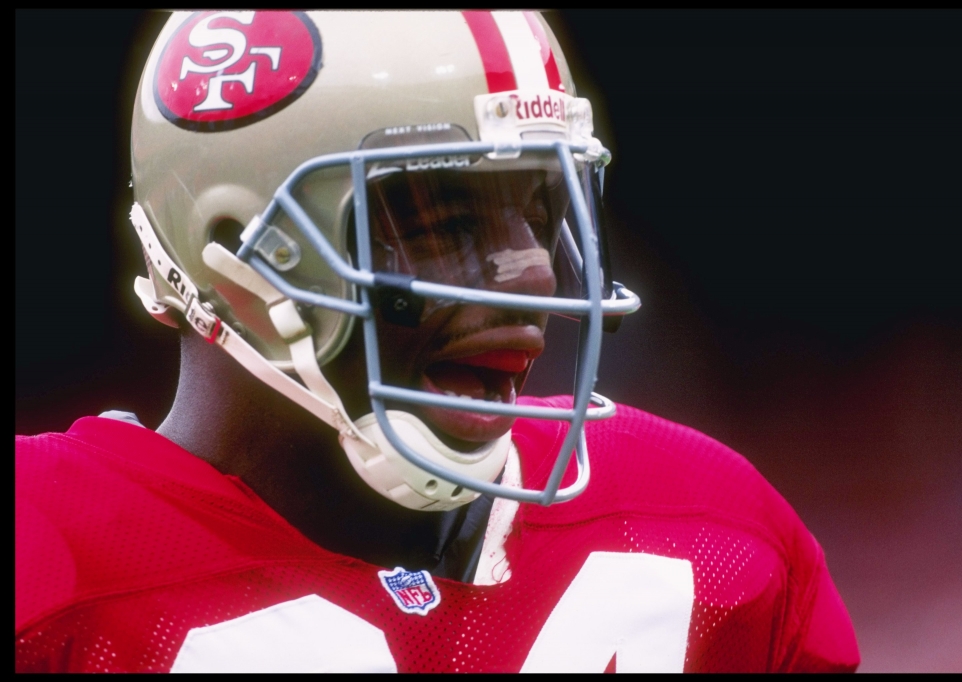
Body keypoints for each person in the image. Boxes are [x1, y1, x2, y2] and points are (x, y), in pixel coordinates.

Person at [15, 11, 859, 673]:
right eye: (442, 218)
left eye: (539, 209)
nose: (530, 272)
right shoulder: (44, 553)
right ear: (238, 257)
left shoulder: (704, 526)